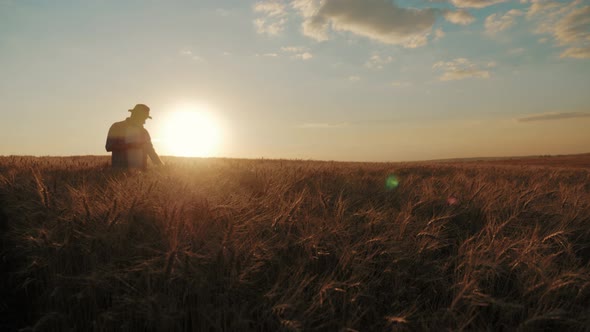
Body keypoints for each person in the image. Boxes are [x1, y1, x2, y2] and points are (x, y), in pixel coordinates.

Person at [106, 104, 164, 169]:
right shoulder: (117, 127)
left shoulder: (144, 132)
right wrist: (131, 145)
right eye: (143, 118)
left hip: (141, 172)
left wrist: (162, 167)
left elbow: (151, 151)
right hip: (120, 171)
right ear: (135, 115)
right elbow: (109, 146)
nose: (144, 122)